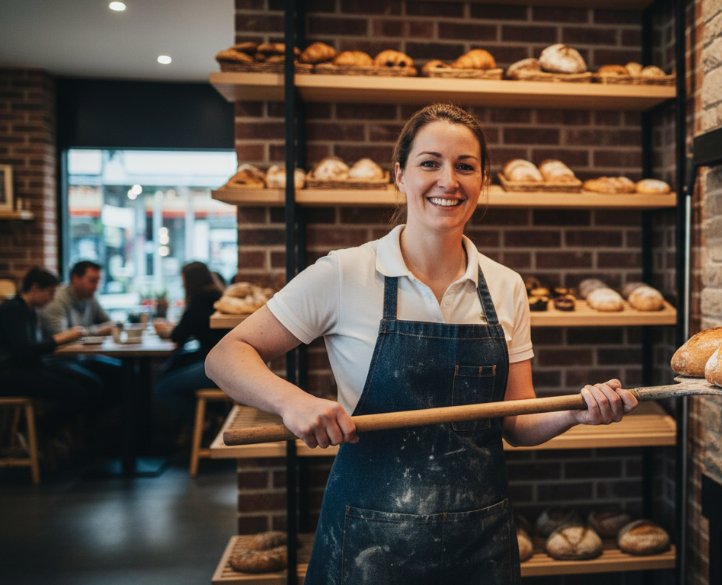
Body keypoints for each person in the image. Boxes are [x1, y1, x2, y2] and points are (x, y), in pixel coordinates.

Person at [206, 103, 638, 583]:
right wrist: (292, 402)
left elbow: (516, 420)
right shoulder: (346, 273)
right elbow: (226, 355)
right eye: (430, 163)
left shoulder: (505, 286)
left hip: (479, 541)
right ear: (400, 175)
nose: (448, 180)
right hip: (369, 541)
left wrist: (577, 411)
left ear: (482, 180)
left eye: (465, 166)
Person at [0, 267, 100, 441]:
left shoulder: (28, 310)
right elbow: (23, 350)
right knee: (76, 393)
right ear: (35, 288)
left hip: (26, 370)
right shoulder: (13, 310)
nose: (53, 298)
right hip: (9, 376)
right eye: (50, 292)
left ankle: (48, 434)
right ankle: (35, 432)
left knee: (90, 383)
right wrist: (60, 339)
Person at [152, 261, 227, 450]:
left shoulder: (200, 300)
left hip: (217, 367)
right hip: (222, 362)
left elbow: (179, 335)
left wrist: (164, 330)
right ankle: (207, 420)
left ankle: (204, 422)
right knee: (172, 366)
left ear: (190, 281)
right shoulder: (217, 296)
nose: (182, 285)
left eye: (183, 280)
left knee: (163, 387)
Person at [39, 260, 121, 401]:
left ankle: (107, 420)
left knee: (122, 372)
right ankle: (91, 421)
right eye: (92, 281)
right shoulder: (57, 300)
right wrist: (97, 331)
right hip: (57, 361)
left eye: (98, 281)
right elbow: (61, 336)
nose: (96, 286)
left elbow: (109, 322)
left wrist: (116, 325)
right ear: (75, 279)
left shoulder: (90, 298)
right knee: (96, 384)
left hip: (80, 358)